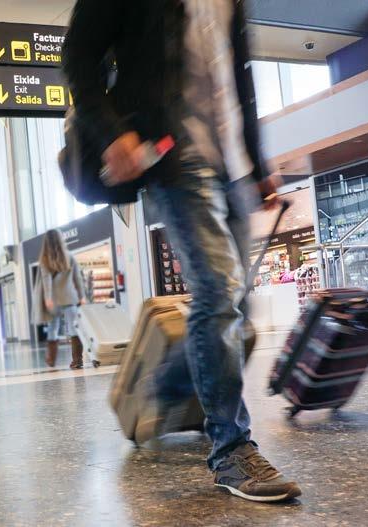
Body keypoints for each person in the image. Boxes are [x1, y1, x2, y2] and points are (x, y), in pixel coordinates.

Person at [63, 0, 300, 502]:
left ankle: (168, 388)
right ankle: (231, 450)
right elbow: (78, 58)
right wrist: (112, 135)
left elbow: (237, 76)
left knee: (238, 301)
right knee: (219, 289)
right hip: (171, 154)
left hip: (230, 161)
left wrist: (257, 165)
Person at [34, 229, 86, 369]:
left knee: (53, 328)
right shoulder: (69, 256)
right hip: (70, 298)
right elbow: (77, 278)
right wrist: (82, 296)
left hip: (54, 300)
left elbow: (47, 281)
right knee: (74, 329)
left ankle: (51, 359)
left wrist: (48, 298)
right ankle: (77, 360)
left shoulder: (45, 260)